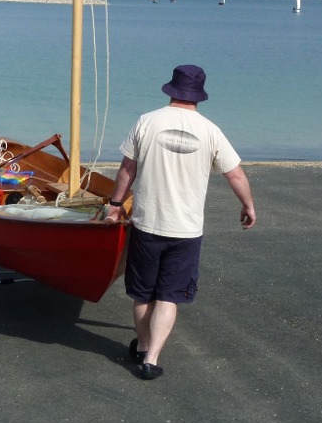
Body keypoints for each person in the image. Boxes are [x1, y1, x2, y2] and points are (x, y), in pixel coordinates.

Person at [105, 64, 256, 381]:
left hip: (147, 224)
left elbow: (126, 171)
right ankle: (152, 359)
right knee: (168, 296)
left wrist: (115, 205)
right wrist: (248, 205)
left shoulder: (147, 121)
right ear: (199, 96)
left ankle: (143, 347)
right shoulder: (210, 130)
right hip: (186, 230)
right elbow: (236, 173)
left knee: (142, 294)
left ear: (171, 90)